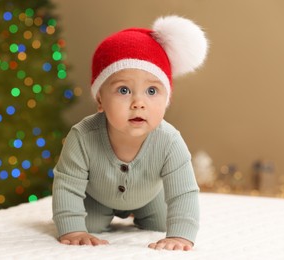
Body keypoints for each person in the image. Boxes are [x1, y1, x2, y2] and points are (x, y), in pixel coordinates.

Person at [52, 15, 208, 251]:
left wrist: (181, 236)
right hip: (97, 198)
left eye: (152, 90)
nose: (138, 102)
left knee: (162, 223)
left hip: (150, 198)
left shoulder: (169, 140)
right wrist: (73, 229)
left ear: (167, 99)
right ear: (100, 100)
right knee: (87, 226)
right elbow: (67, 184)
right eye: (123, 90)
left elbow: (183, 192)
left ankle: (149, 215)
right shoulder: (83, 136)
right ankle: (90, 220)